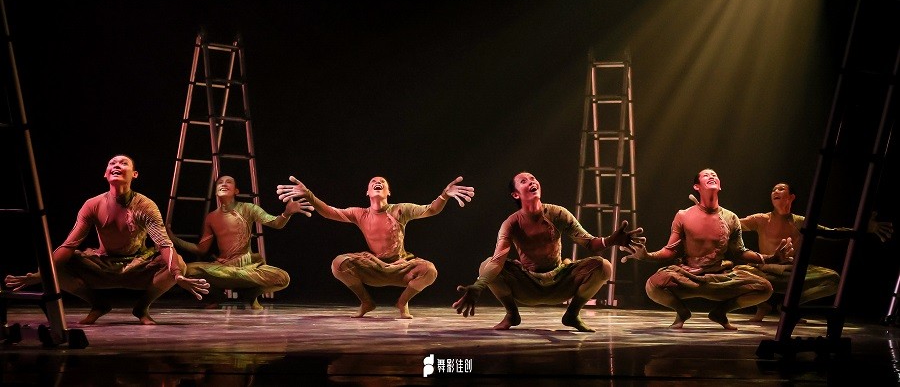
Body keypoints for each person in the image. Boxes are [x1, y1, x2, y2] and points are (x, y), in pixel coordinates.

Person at [3, 155, 210, 325]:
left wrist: (177, 274)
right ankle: (98, 304)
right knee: (58, 266)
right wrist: (42, 274)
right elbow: (69, 245)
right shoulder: (92, 204)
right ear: (105, 173)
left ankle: (142, 308)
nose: (117, 165)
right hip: (102, 265)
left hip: (138, 265)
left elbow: (164, 244)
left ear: (134, 174)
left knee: (178, 264)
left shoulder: (145, 205)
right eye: (112, 163)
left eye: (123, 163)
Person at [452, 171, 645, 332]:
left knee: (603, 266)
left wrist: (611, 240)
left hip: (560, 283)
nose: (531, 182)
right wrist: (479, 285)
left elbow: (589, 243)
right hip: (527, 285)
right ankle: (512, 314)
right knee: (486, 265)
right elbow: (498, 260)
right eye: (524, 181)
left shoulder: (558, 213)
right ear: (516, 194)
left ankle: (572, 314)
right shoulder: (511, 223)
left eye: (533, 178)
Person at [276, 174, 475, 319]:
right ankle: (366, 302)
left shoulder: (400, 210)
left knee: (430, 271)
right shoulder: (360, 214)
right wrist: (308, 195)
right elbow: (329, 212)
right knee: (338, 264)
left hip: (401, 266)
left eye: (382, 182)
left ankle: (402, 302)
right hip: (373, 265)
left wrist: (444, 195)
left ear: (388, 192)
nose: (377, 182)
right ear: (367, 192)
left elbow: (431, 209)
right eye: (373, 182)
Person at [620, 168, 793, 330]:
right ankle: (682, 312)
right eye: (706, 175)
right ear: (697, 186)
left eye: (714, 175)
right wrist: (646, 255)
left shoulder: (731, 218)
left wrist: (772, 258)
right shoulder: (683, 215)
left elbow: (740, 252)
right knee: (653, 286)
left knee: (764, 289)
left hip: (720, 278)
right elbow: (670, 250)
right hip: (688, 276)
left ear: (720, 186)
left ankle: (720, 312)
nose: (711, 176)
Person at [738, 181, 893, 321]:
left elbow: (831, 233)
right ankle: (762, 305)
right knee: (737, 271)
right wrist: (720, 214)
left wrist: (864, 228)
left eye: (781, 189)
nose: (775, 191)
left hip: (792, 272)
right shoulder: (761, 219)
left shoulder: (800, 222)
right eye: (773, 190)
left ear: (791, 197)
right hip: (766, 271)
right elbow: (734, 224)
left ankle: (789, 305)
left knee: (833, 279)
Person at [166, 175, 315, 310]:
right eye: (220, 183)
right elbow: (201, 249)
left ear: (236, 191)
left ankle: (251, 293)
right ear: (216, 191)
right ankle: (217, 297)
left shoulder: (249, 208)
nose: (224, 184)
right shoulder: (211, 217)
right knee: (184, 271)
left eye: (228, 182)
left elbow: (276, 223)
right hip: (223, 269)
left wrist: (286, 213)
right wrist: (174, 239)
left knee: (283, 278)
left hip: (248, 268)